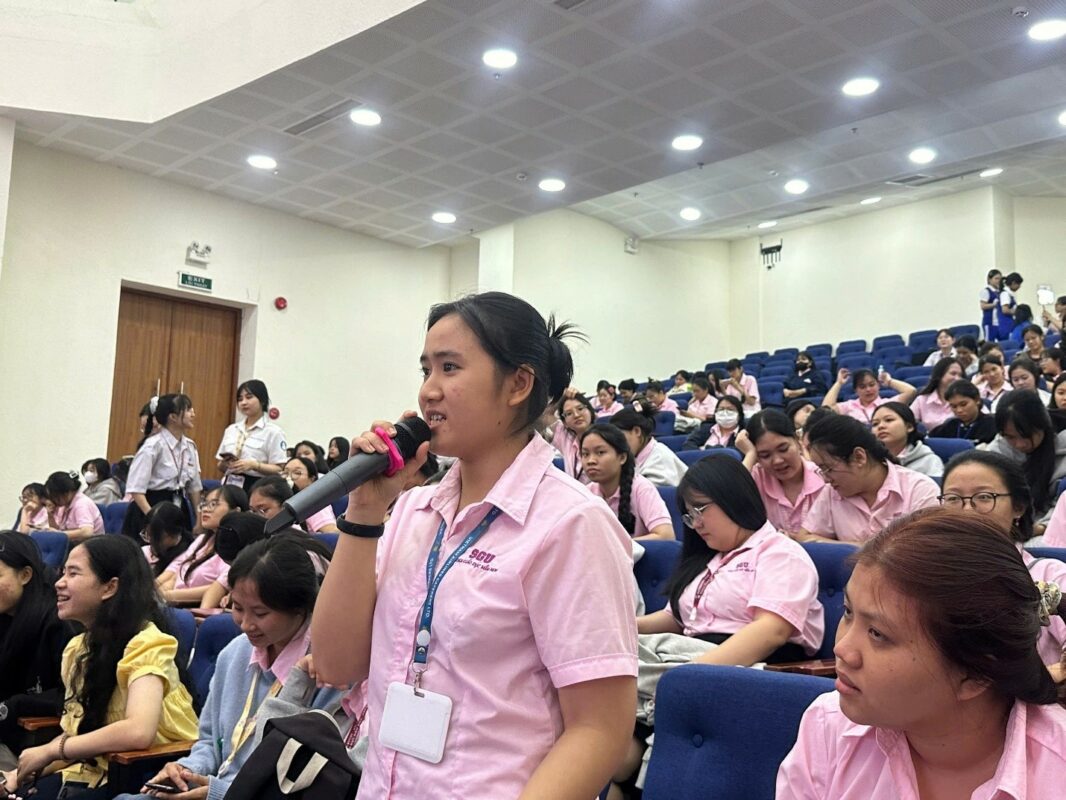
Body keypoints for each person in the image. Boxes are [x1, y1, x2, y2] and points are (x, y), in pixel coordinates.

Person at [312, 291, 638, 798]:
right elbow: (335, 666)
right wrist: (365, 512)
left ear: (518, 384)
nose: (429, 391)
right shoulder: (413, 511)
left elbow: (599, 729)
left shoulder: (572, 523)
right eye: (426, 370)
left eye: (450, 368)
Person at [777, 508, 1066, 799]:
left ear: (975, 674)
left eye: (877, 634)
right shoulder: (828, 727)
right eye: (848, 612)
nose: (842, 649)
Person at [122, 537, 340, 800]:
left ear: (300, 608)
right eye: (237, 608)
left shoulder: (325, 670)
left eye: (260, 613)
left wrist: (217, 793)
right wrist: (186, 770)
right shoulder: (235, 653)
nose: (245, 624)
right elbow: (208, 742)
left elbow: (304, 777)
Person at [4, 536, 197, 799]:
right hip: (93, 771)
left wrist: (50, 751)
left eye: (73, 573)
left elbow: (139, 731)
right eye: (63, 572)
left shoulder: (148, 644)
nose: (59, 582)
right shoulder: (78, 649)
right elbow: (78, 737)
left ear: (109, 587)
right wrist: (17, 775)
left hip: (144, 776)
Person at [636, 456, 823, 662]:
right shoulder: (707, 557)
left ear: (732, 498)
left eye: (699, 510)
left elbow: (772, 631)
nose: (696, 524)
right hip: (688, 653)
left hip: (748, 664)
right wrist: (624, 628)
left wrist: (691, 671)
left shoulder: (780, 554)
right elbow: (676, 619)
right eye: (689, 516)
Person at [940, 450, 1065, 665]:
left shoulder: (1050, 576)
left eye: (984, 497)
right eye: (953, 498)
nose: (967, 510)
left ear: (1018, 507)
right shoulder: (924, 575)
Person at [794, 413, 939, 544]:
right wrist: (857, 548)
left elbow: (925, 553)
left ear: (859, 457)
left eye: (828, 469)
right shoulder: (832, 493)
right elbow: (805, 536)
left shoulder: (920, 490)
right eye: (821, 470)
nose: (826, 479)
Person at [0, 532, 71, 772]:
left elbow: (70, 696)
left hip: (33, 744)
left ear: (25, 575)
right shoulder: (5, 615)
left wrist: (15, 705)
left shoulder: (59, 621)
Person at [122, 394, 202, 543]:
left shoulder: (190, 446)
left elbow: (194, 487)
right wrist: (153, 517)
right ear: (173, 417)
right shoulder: (153, 446)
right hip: (151, 506)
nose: (193, 414)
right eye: (188, 410)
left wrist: (199, 518)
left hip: (178, 506)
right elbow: (136, 489)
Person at [734, 410, 825, 534]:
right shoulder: (755, 478)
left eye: (783, 449)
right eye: (765, 455)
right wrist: (750, 455)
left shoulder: (823, 477)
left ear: (797, 441)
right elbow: (725, 502)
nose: (777, 461)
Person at [580, 425, 675, 541]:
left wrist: (618, 546)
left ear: (622, 458)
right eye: (585, 454)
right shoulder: (585, 493)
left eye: (600, 452)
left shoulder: (641, 488)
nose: (590, 461)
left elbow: (666, 535)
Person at [158, 485, 248, 607]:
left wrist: (166, 595)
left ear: (235, 511)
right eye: (205, 504)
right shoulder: (202, 540)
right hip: (172, 603)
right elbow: (177, 572)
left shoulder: (237, 549)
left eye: (214, 504)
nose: (206, 509)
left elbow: (216, 588)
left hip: (196, 608)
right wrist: (159, 593)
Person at [987, 390, 1066, 516]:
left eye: (1027, 435)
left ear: (1043, 424)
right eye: (1010, 437)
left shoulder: (1062, 444)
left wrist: (1042, 525)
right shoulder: (998, 451)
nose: (1020, 444)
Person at [215, 380, 287, 494]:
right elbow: (220, 465)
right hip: (230, 483)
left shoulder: (274, 432)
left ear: (262, 400)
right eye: (240, 399)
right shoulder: (231, 429)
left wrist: (254, 465)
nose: (243, 402)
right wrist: (225, 464)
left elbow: (279, 469)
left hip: (257, 486)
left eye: (249, 397)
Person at [609, 404, 687, 487]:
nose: (616, 444)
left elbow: (645, 492)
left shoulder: (659, 464)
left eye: (619, 437)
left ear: (637, 431)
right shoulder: (637, 454)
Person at [870, 402, 944, 479]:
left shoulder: (929, 461)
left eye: (889, 420)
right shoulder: (869, 462)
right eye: (875, 424)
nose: (880, 426)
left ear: (909, 427)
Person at [822, 367, 916, 425]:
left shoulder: (888, 404)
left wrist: (889, 381)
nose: (868, 389)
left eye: (872, 385)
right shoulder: (849, 406)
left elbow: (911, 391)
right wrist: (839, 383)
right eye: (862, 387)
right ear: (856, 390)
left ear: (878, 385)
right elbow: (826, 408)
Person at [928, 380, 997, 444]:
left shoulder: (992, 424)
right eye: (954, 406)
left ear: (977, 400)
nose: (959, 410)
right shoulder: (950, 425)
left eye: (963, 404)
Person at [41, 472, 104, 541]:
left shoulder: (81, 504)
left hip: (91, 543)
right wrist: (50, 516)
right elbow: (57, 531)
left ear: (66, 492)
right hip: (75, 543)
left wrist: (60, 534)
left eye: (56, 497)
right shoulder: (64, 505)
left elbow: (87, 532)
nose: (54, 500)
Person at [283, 457, 340, 533]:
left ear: (312, 479)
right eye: (285, 473)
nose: (289, 478)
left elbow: (332, 532)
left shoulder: (312, 502)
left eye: (297, 473)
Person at [550, 390, 595, 483]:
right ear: (565, 423)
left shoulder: (606, 438)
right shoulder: (566, 439)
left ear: (590, 411)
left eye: (580, 408)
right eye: (569, 413)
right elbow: (544, 415)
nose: (576, 415)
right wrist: (560, 396)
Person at [140, 502, 194, 577]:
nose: (151, 542)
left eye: (156, 537)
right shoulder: (145, 552)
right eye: (147, 534)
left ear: (173, 534)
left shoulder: (186, 556)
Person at [908, 356, 963, 430]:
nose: (957, 378)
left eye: (960, 375)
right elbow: (907, 423)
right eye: (953, 374)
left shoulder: (966, 400)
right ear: (940, 375)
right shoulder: (922, 400)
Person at [998, 271, 1024, 340]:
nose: (1019, 287)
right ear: (1013, 283)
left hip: (1009, 323)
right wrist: (1018, 312)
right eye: (1019, 284)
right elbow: (1005, 310)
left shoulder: (1009, 294)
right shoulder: (1005, 294)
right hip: (1005, 325)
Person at [979, 268, 1002, 341]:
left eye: (1000, 279)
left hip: (999, 322)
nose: (998, 281)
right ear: (989, 279)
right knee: (989, 342)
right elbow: (983, 306)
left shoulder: (1000, 292)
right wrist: (995, 305)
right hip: (990, 322)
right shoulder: (986, 291)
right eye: (996, 278)